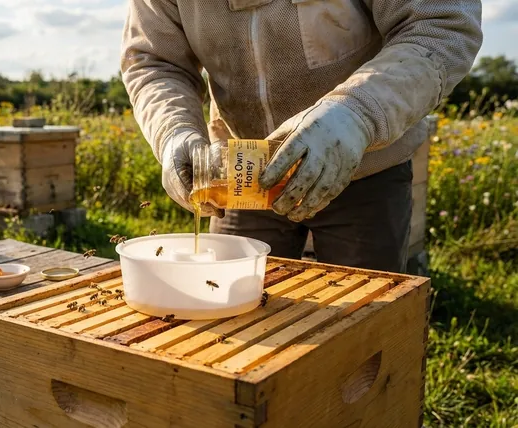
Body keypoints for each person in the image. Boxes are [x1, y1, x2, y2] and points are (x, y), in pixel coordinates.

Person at [120, 0, 483, 273]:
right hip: (240, 176)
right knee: (235, 310)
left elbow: (440, 24)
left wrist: (356, 114)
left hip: (365, 168)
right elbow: (154, 60)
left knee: (362, 328)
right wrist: (173, 130)